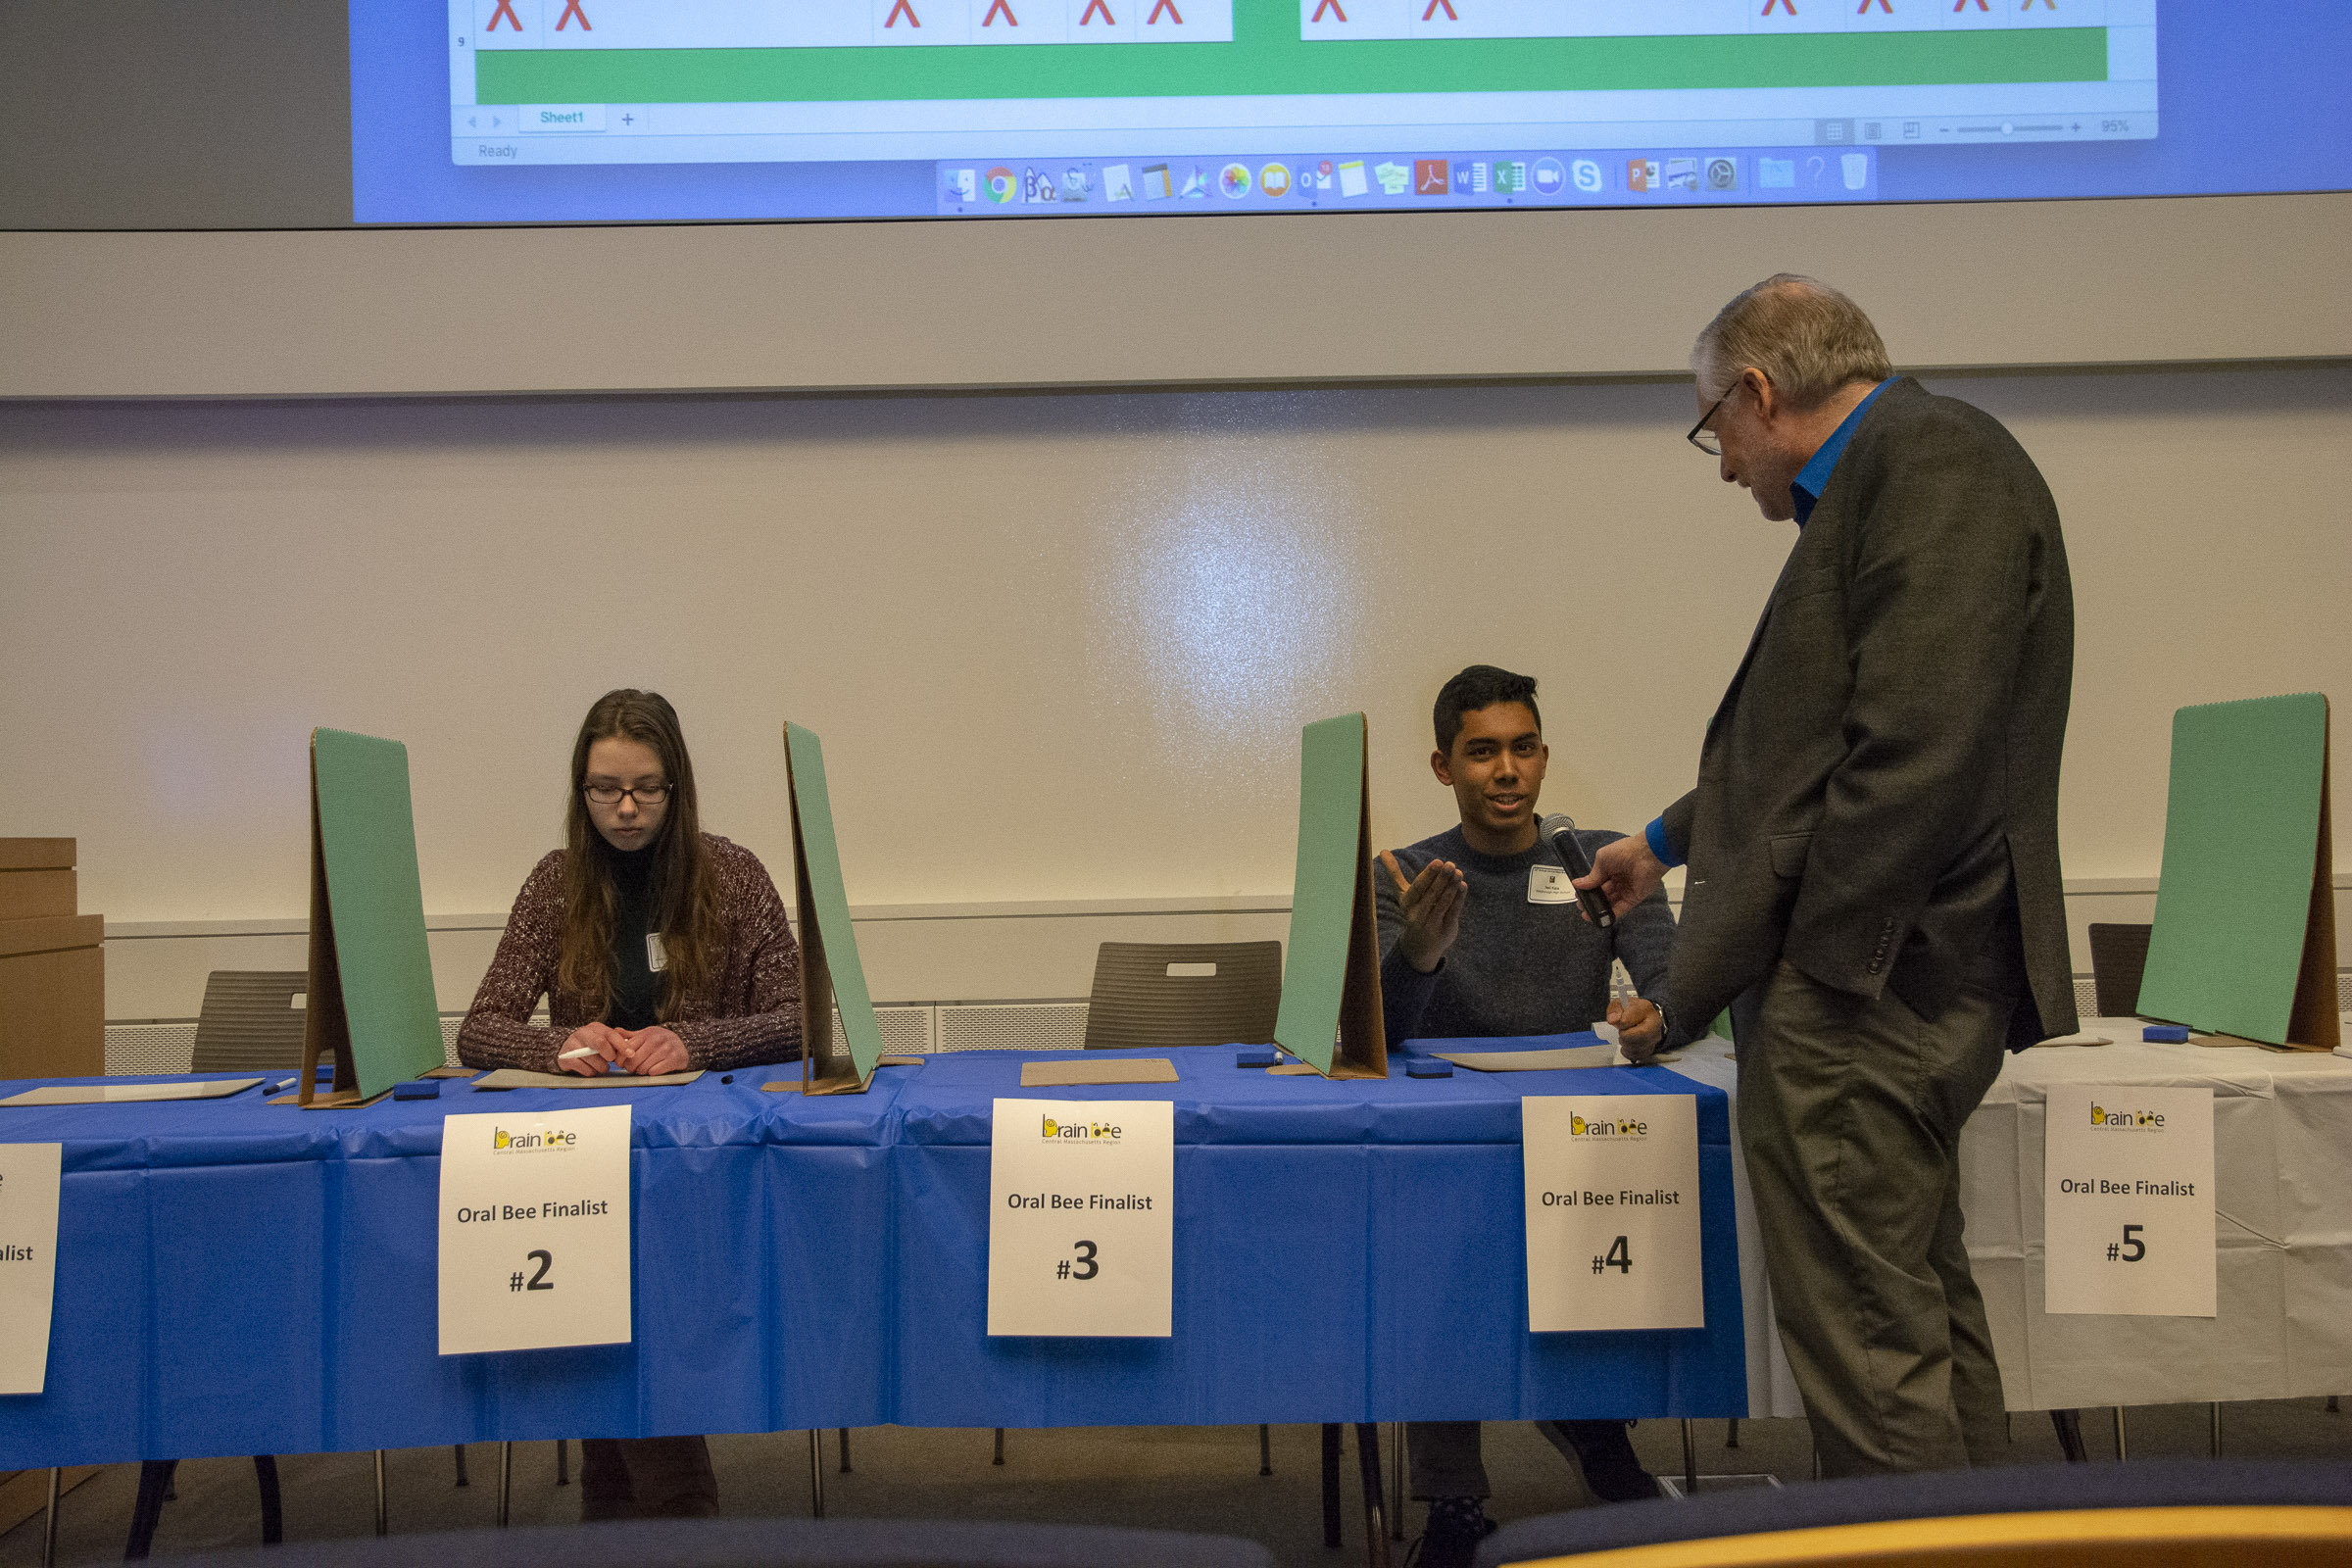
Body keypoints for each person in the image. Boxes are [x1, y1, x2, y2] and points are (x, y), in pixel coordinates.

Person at [1579, 276, 2077, 1477]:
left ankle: (1914, 1551)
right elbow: (1820, 745)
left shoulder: (1934, 459)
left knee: (1869, 1346)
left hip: (1870, 993)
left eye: (1714, 426)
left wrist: (1822, 968)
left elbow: (1910, 754)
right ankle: (1978, 1551)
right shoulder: (1908, 468)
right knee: (1909, 1315)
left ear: (1760, 393)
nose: (1722, 465)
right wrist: (1664, 840)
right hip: (1895, 982)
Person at [459, 687, 804, 1519]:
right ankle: (638, 1521)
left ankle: (661, 1520)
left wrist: (693, 1041)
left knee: (635, 1346)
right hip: (590, 1167)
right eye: (604, 789)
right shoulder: (556, 882)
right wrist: (558, 1047)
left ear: (677, 787)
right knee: (609, 1352)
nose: (624, 808)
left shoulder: (733, 876)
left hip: (701, 1167)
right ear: (580, 790)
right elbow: (480, 1028)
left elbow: (801, 1017)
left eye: (646, 788)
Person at [1375, 664, 1676, 1566]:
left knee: (1627, 1197)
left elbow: (1675, 981)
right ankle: (1453, 1497)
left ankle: (1592, 1420)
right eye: (1482, 753)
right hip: (1450, 1142)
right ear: (1444, 767)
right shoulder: (1403, 875)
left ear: (1544, 757)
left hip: (1575, 1134)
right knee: (1430, 1250)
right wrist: (1419, 953)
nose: (1507, 770)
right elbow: (1375, 1033)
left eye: (1524, 748)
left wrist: (1658, 1015)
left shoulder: (1601, 862)